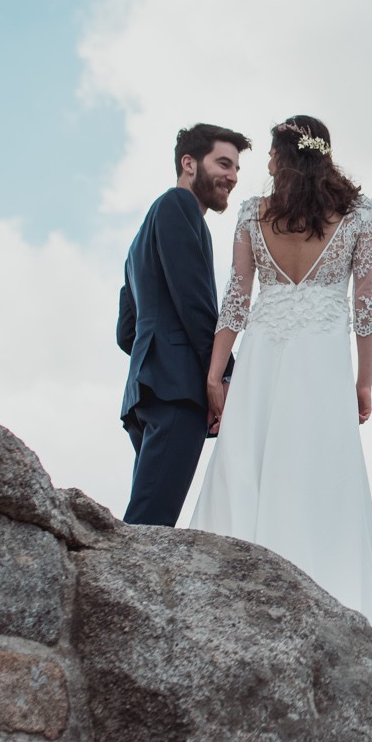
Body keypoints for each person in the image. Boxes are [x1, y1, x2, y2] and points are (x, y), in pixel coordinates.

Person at [188, 115, 372, 725]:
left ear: (281, 160)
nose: (260, 167)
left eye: (266, 157)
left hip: (262, 355)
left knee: (252, 471)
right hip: (320, 363)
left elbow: (237, 296)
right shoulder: (359, 213)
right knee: (319, 481)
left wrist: (216, 373)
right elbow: (364, 304)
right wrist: (364, 379)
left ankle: (236, 613)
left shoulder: (252, 214)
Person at [117, 123, 248, 525]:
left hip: (148, 389)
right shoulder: (179, 206)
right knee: (150, 525)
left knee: (149, 514)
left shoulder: (140, 237)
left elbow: (127, 331)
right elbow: (194, 303)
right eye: (223, 163)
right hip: (176, 392)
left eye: (237, 169)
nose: (232, 176)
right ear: (188, 163)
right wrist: (225, 373)